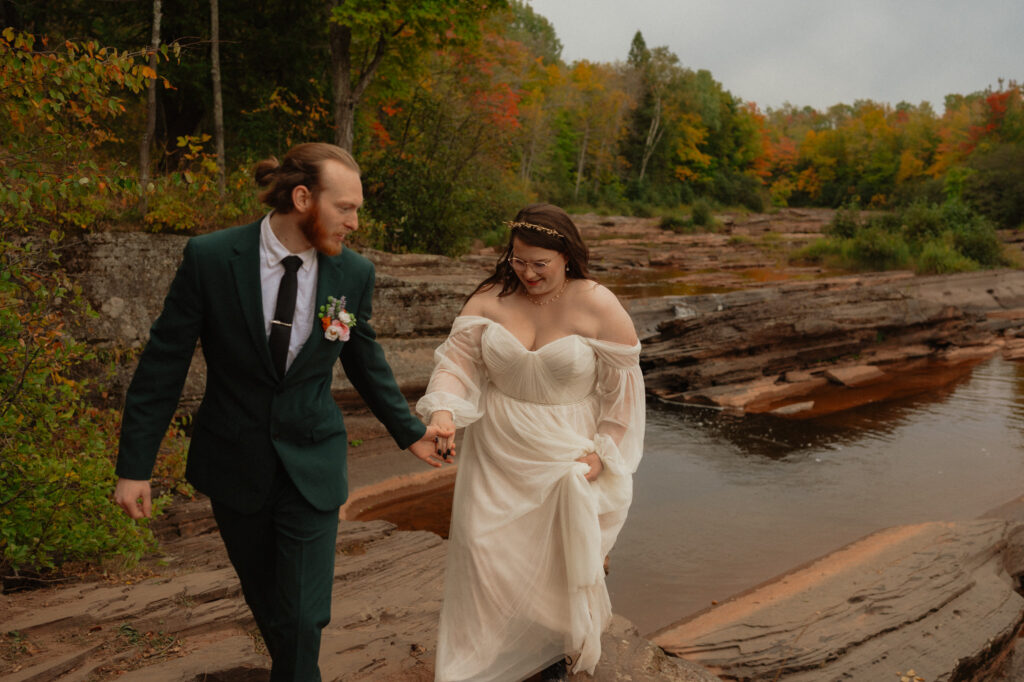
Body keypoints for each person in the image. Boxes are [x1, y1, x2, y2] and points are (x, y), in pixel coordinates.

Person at [113, 142, 452, 682]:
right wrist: (135, 466)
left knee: (302, 612)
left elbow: (365, 360)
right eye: (346, 208)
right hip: (233, 463)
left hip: (312, 462)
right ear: (302, 198)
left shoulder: (352, 274)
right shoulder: (210, 258)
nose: (355, 222)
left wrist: (409, 431)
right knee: (268, 599)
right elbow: (162, 365)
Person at [417, 204, 645, 681]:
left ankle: (548, 660)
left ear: (566, 256)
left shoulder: (598, 302)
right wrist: (442, 411)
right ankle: (484, 660)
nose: (527, 272)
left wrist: (602, 452)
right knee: (485, 553)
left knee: (555, 562)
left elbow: (622, 393)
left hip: (566, 450)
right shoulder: (489, 297)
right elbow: (457, 365)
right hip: (497, 448)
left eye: (539, 263)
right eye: (519, 260)